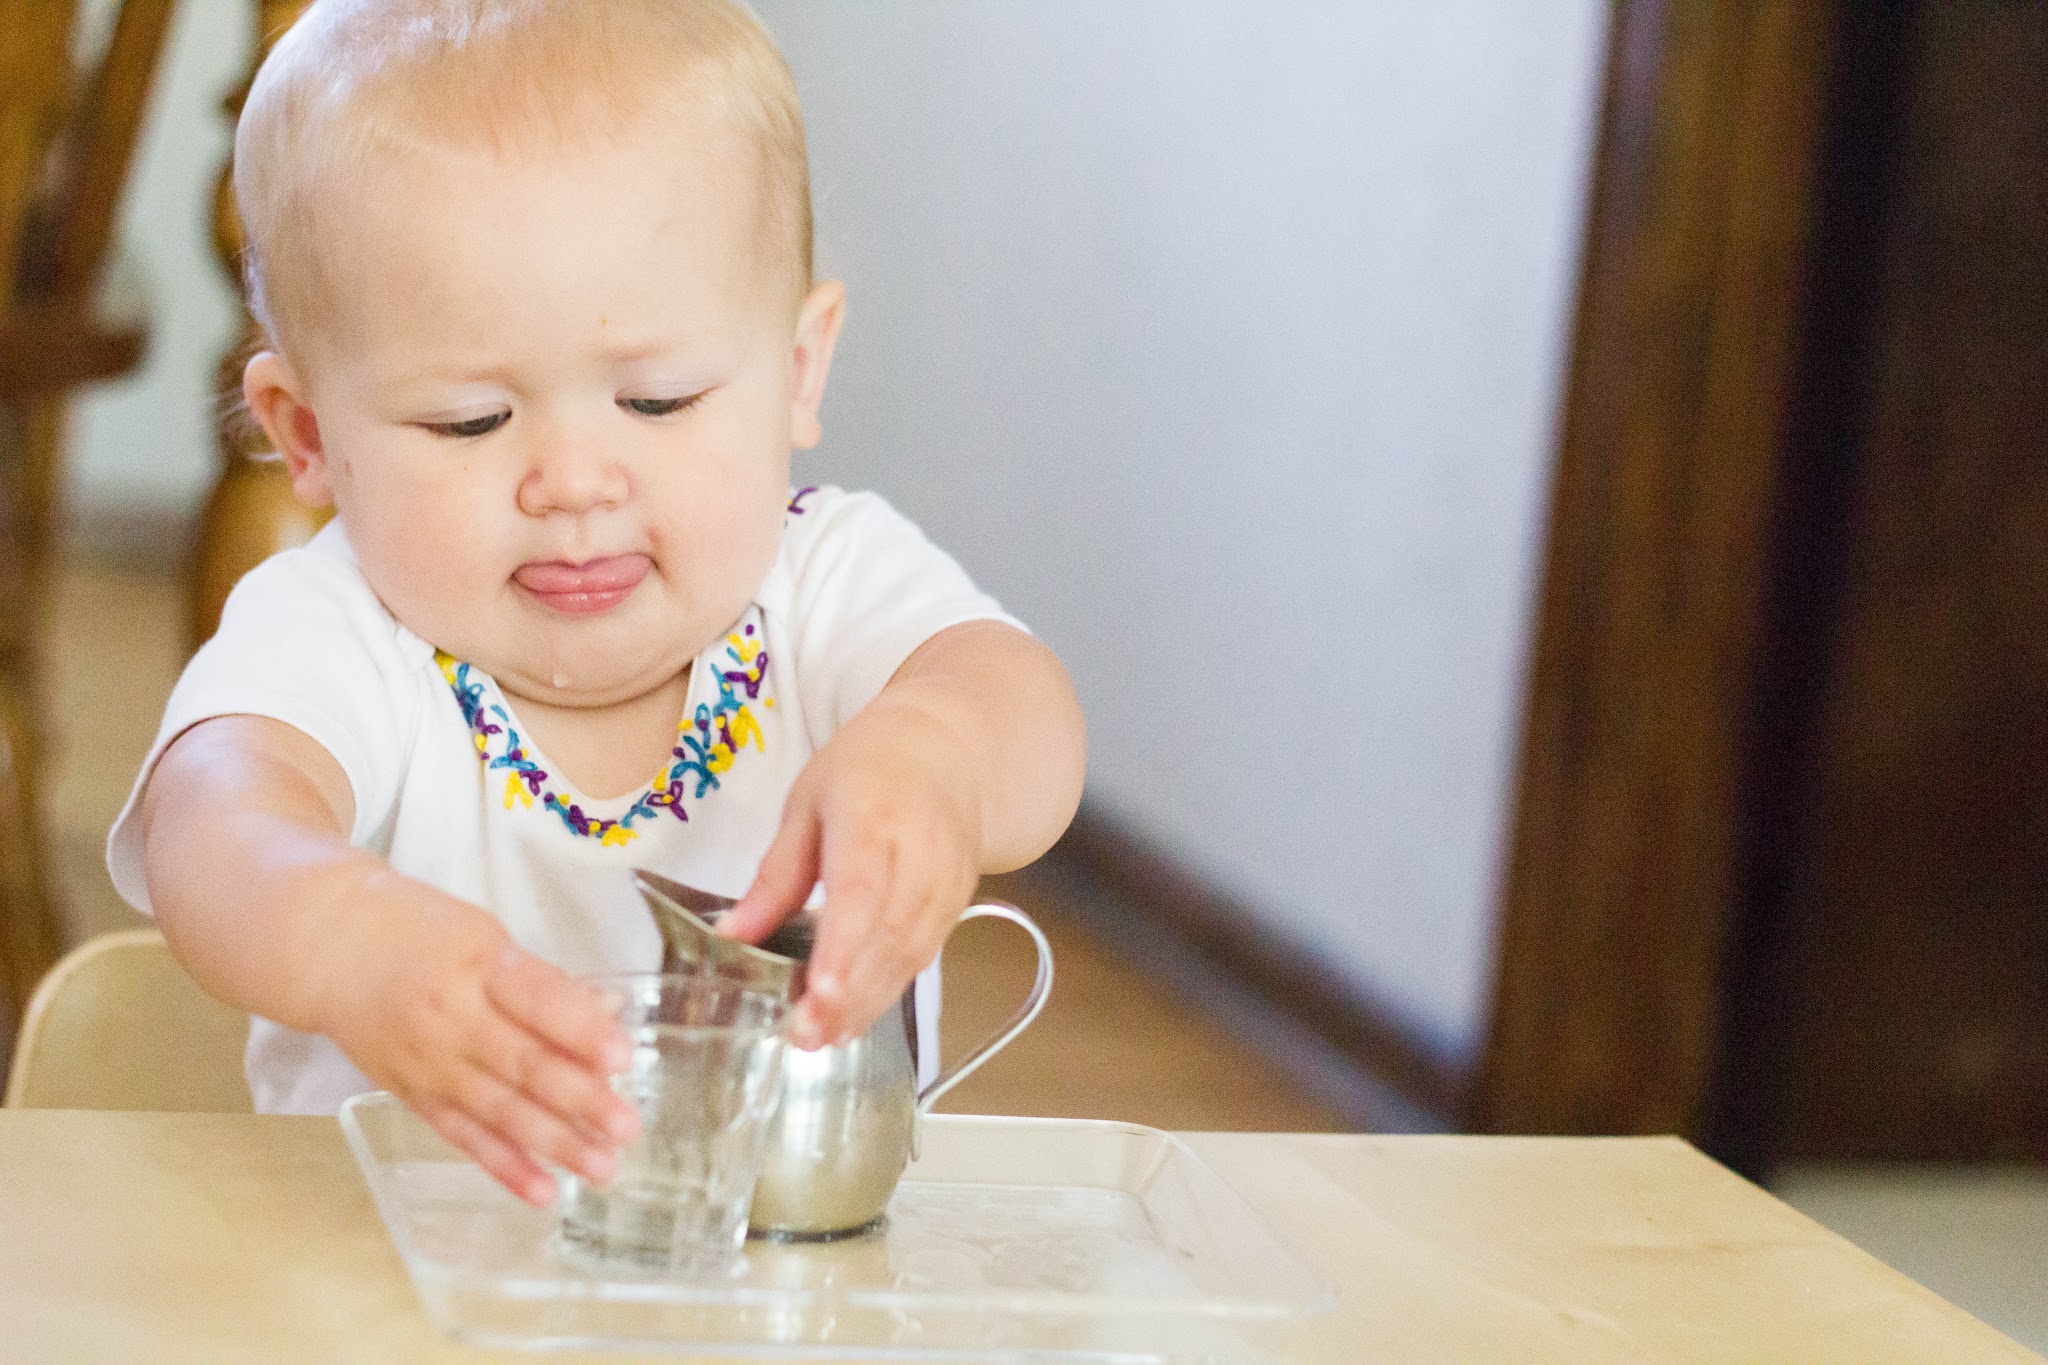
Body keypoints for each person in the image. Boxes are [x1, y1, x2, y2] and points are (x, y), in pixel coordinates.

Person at [105, 0, 1086, 1209]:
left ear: (795, 370)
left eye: (658, 401)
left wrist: (937, 754)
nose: (572, 483)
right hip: (387, 1286)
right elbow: (209, 823)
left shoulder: (822, 580)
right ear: (307, 436)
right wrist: (350, 939)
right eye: (470, 421)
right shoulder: (343, 625)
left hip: (784, 1291)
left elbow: (1024, 722)